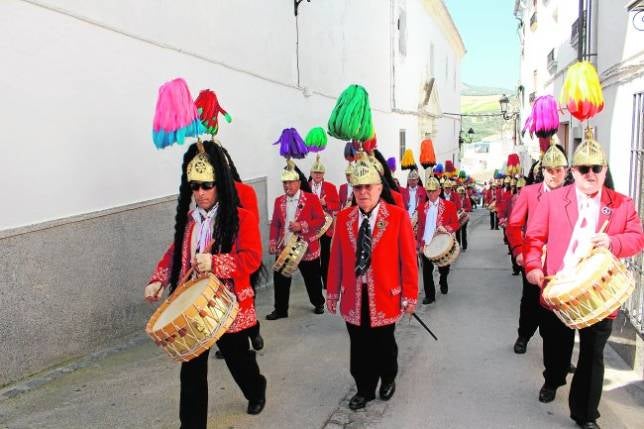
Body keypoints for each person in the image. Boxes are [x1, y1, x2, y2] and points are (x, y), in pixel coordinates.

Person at [524, 137, 644, 429]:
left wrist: (613, 241)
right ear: (573, 172)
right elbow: (534, 237)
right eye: (583, 168)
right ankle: (553, 380)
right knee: (556, 346)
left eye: (597, 168)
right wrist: (532, 265)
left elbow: (637, 238)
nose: (591, 174)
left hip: (598, 292)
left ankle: (585, 413)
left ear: (604, 170)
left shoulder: (621, 205)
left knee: (592, 355)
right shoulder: (553, 200)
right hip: (560, 286)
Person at [144, 141, 267, 426]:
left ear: (219, 184)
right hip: (195, 309)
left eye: (206, 185)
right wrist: (158, 279)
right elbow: (175, 253)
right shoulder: (191, 221)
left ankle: (256, 388)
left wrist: (216, 263)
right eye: (194, 186)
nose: (199, 193)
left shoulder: (241, 218)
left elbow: (252, 258)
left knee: (238, 360)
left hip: (230, 307)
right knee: (191, 372)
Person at [326, 150, 418, 411]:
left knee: (384, 345)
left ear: (379, 188)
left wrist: (410, 296)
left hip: (386, 295)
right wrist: (332, 293)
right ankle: (364, 389)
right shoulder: (344, 218)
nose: (363, 192)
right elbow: (337, 260)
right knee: (359, 346)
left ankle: (388, 378)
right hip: (354, 296)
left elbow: (408, 261)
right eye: (358, 188)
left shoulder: (397, 217)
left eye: (368, 187)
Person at [507, 144, 569, 357]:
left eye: (558, 169)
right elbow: (514, 225)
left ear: (566, 171)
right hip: (533, 259)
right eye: (549, 170)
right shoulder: (529, 193)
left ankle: (557, 361)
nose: (553, 174)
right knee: (531, 302)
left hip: (563, 264)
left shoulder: (574, 195)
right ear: (542, 170)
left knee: (559, 309)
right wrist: (518, 252)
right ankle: (524, 335)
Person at [267, 160, 326, 319]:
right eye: (285, 183)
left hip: (306, 247)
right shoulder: (279, 201)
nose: (287, 186)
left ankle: (318, 302)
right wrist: (273, 241)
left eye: (291, 182)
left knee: (312, 279)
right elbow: (275, 224)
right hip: (285, 247)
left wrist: (302, 225)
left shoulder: (311, 199)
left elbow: (321, 220)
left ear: (299, 183)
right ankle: (280, 310)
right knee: (281, 280)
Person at [416, 174, 459, 304]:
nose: (431, 193)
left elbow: (456, 224)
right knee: (426, 271)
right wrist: (419, 244)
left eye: (433, 190)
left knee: (444, 268)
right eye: (428, 191)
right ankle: (430, 295)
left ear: (439, 191)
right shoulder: (421, 208)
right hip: (427, 243)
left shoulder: (450, 205)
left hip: (441, 243)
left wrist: (446, 228)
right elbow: (420, 228)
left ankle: (443, 280)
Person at [309, 155, 340, 289]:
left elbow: (337, 205)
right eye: (315, 173)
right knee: (313, 256)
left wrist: (325, 202)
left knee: (326, 254)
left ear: (323, 174)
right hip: (311, 227)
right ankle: (314, 281)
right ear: (311, 173)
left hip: (326, 226)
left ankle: (326, 282)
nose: (317, 175)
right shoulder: (305, 186)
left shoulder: (330, 187)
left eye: (320, 173)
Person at [455, 185, 472, 250]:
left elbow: (469, 207)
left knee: (464, 231)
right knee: (457, 232)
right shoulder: (455, 199)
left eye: (462, 193)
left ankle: (464, 246)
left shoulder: (466, 199)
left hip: (464, 217)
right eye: (459, 194)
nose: (461, 195)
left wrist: (464, 209)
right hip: (457, 217)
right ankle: (458, 245)